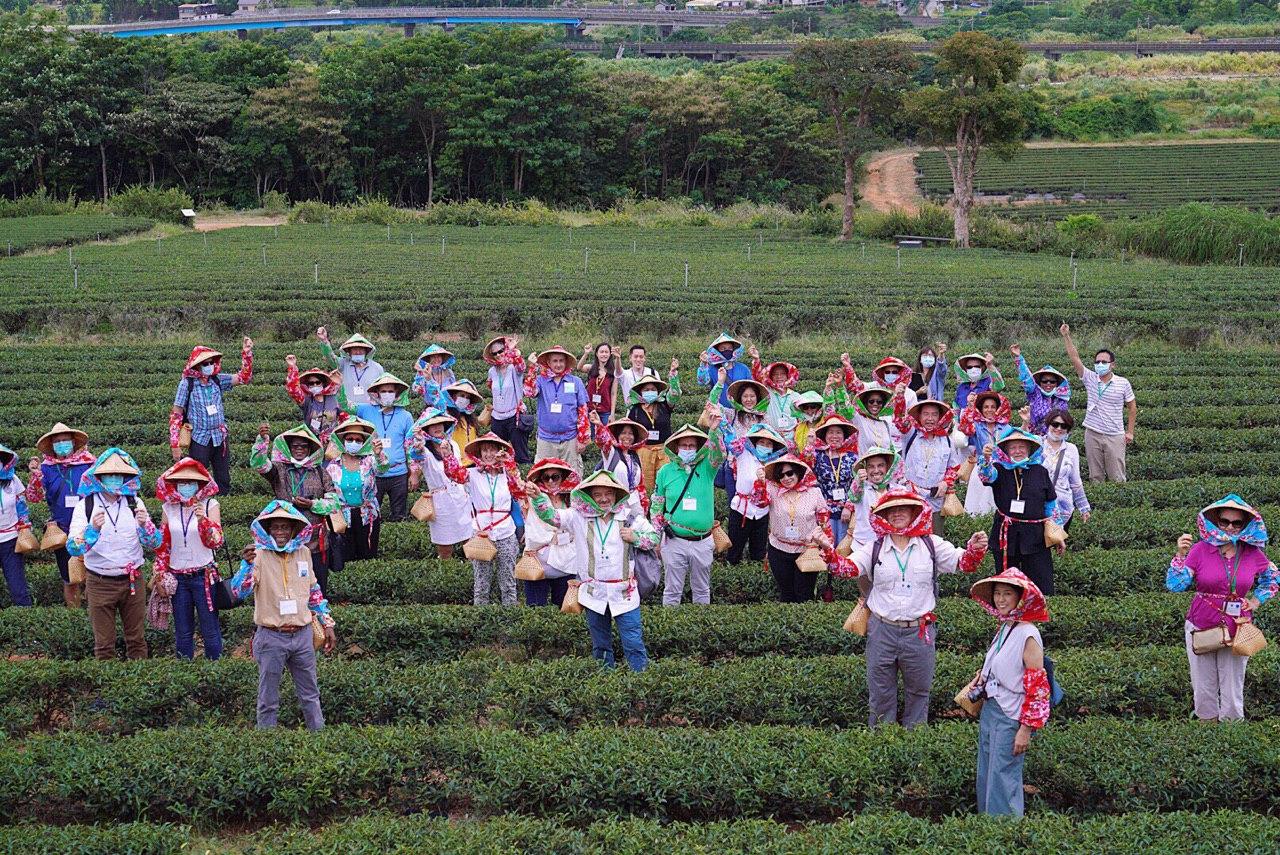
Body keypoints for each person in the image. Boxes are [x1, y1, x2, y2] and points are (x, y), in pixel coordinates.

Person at [837, 487, 988, 727]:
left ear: (914, 511)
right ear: (884, 516)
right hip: (881, 630)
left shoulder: (931, 544)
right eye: (891, 510)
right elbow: (847, 569)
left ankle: (914, 741)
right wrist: (826, 551)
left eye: (902, 509)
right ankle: (882, 740)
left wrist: (975, 548)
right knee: (880, 694)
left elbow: (965, 563)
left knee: (919, 692)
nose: (897, 514)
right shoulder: (874, 547)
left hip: (919, 632)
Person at [528, 469, 660, 671]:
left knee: (633, 643)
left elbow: (654, 539)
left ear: (616, 495)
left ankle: (640, 682)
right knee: (600, 646)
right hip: (594, 593)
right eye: (598, 494)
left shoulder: (630, 519)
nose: (604, 499)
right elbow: (552, 517)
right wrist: (538, 497)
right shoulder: (577, 517)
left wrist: (635, 537)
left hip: (625, 593)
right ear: (589, 496)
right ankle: (605, 685)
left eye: (608, 493)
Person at [1167, 495, 1278, 722]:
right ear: (1216, 521)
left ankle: (1232, 737)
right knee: (1203, 685)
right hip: (1201, 623)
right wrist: (1180, 555)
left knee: (1232, 685)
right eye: (1224, 521)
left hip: (1237, 626)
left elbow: (1272, 579)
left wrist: (1256, 601)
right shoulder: (1199, 550)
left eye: (1236, 523)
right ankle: (1208, 734)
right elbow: (1175, 585)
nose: (1229, 527)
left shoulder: (1253, 553)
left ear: (1245, 525)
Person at [229, 501, 336, 730]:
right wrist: (246, 567)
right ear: (268, 530)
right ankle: (267, 745)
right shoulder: (256, 556)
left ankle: (319, 739)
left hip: (302, 635)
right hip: (271, 636)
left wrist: (327, 622)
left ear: (293, 529)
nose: (280, 532)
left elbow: (314, 591)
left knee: (310, 694)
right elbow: (240, 591)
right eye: (275, 527)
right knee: (268, 698)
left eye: (285, 527)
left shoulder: (304, 552)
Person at [967, 568, 1051, 817]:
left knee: (1003, 777)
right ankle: (987, 828)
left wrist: (1025, 729)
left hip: (1011, 714)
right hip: (992, 708)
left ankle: (1007, 835)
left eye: (1007, 594)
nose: (1001, 599)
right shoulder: (1005, 627)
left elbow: (1038, 688)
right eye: (997, 594)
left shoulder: (1028, 634)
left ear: (1019, 598)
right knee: (987, 773)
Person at [67, 449, 162, 660]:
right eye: (109, 475)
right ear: (99, 478)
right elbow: (73, 548)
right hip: (100, 582)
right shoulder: (86, 506)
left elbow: (155, 542)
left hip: (132, 580)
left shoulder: (135, 503)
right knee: (104, 645)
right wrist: (93, 530)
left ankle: (138, 686)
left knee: (137, 640)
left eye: (118, 475)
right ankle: (108, 690)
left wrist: (145, 525)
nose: (114, 479)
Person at [249, 424, 342, 596]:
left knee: (318, 587)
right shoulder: (279, 469)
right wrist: (262, 441)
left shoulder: (320, 472)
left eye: (304, 446)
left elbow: (334, 503)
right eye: (295, 446)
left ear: (310, 449)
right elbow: (259, 464)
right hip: (287, 541)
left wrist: (312, 504)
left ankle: (318, 620)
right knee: (289, 586)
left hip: (316, 543)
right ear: (289, 448)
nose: (299, 449)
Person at [151, 458, 224, 660]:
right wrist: (160, 571)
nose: (186, 486)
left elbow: (216, 541)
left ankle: (215, 670)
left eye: (190, 482)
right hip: (178, 577)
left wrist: (203, 521)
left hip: (203, 576)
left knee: (210, 629)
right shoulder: (168, 507)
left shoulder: (210, 504)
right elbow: (164, 543)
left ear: (199, 484)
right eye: (182, 482)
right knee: (183, 631)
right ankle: (185, 668)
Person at [443, 435, 525, 606]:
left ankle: (510, 619)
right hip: (481, 532)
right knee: (481, 582)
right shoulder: (472, 474)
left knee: (508, 581)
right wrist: (448, 455)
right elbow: (453, 474)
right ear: (479, 454)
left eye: (492, 450)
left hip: (505, 531)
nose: (488, 454)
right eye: (485, 450)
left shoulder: (508, 474)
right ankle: (480, 619)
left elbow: (519, 491)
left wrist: (509, 464)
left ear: (499, 452)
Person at [978, 427, 1060, 595]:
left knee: (1041, 584)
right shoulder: (999, 470)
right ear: (1007, 450)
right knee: (1008, 584)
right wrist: (986, 459)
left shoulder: (1040, 471)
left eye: (1021, 447)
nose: (1017, 451)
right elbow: (986, 477)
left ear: (1029, 449)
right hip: (1006, 535)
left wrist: (1058, 535)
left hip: (1035, 536)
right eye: (1013, 448)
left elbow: (1051, 505)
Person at [168, 337, 254, 495]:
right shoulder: (187, 384)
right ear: (197, 365)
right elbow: (176, 414)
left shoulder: (217, 380)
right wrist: (175, 444)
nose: (209, 366)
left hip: (220, 436)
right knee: (199, 476)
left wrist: (247, 354)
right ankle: (201, 507)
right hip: (199, 437)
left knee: (223, 477)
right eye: (205, 364)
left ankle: (222, 506)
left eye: (211, 363)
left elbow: (243, 378)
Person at [751, 454, 841, 603]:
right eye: (781, 475)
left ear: (798, 472)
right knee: (786, 593)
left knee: (804, 594)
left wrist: (827, 547)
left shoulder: (814, 492)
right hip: (779, 548)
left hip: (807, 551)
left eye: (790, 473)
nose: (786, 478)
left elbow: (824, 520)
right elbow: (759, 502)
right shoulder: (772, 489)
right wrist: (760, 483)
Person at [652, 418, 724, 606]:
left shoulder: (707, 468)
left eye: (692, 445)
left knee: (701, 589)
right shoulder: (665, 472)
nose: (688, 448)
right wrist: (656, 537)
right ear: (676, 447)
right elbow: (657, 505)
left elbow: (718, 455)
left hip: (702, 541)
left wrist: (714, 432)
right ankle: (669, 629)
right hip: (674, 540)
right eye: (684, 445)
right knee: (672, 590)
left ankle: (701, 628)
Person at [26, 422, 96, 607]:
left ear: (73, 442)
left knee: (93, 574)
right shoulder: (46, 468)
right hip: (62, 528)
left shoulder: (89, 463)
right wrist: (35, 475)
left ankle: (92, 614)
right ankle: (74, 616)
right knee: (69, 576)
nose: (62, 443)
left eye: (65, 440)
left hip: (90, 526)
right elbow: (33, 497)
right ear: (52, 446)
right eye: (58, 441)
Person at [1060, 323, 1136, 483]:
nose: (1100, 365)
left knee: (1117, 477)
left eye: (1104, 362)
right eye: (1098, 362)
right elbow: (1075, 357)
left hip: (1115, 435)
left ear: (1112, 364)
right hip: (1092, 433)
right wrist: (1066, 336)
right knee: (1095, 476)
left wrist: (1130, 432)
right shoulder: (1090, 378)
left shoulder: (1123, 383)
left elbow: (1132, 407)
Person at [341, 373, 417, 522]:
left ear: (396, 394)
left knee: (399, 515)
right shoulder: (365, 410)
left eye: (390, 391)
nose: (387, 394)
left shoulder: (406, 416)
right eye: (383, 391)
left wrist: (413, 473)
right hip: (373, 472)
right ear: (377, 393)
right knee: (372, 513)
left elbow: (410, 446)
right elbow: (345, 406)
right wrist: (339, 387)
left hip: (399, 473)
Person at [893, 393, 965, 535]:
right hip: (912, 497)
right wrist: (900, 397)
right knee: (910, 537)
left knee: (934, 539)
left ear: (940, 417)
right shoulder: (910, 434)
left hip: (935, 499)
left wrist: (946, 482)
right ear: (919, 416)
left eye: (934, 414)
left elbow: (954, 467)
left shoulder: (946, 440)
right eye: (926, 414)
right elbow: (899, 420)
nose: (930, 419)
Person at [408, 409, 473, 560]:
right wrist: (417, 440)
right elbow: (416, 453)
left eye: (440, 424)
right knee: (445, 548)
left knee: (469, 540)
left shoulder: (454, 445)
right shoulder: (425, 449)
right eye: (432, 425)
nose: (437, 427)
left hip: (460, 496)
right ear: (427, 429)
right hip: (440, 501)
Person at [520, 458, 581, 608]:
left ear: (563, 477)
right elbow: (515, 484)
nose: (551, 481)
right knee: (535, 607)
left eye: (555, 476)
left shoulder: (572, 499)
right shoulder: (533, 497)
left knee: (564, 608)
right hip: (537, 561)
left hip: (566, 561)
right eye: (546, 477)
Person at [723, 423, 787, 565]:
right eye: (761, 442)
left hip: (762, 512)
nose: (764, 445)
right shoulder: (743, 454)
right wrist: (720, 420)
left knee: (758, 551)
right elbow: (730, 437)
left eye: (768, 443)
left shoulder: (775, 463)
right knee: (734, 548)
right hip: (741, 510)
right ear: (755, 443)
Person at [325, 416, 386, 563]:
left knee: (368, 553)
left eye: (358, 440)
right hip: (343, 517)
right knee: (346, 555)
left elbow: (383, 468)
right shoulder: (333, 466)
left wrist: (378, 454)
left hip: (367, 515)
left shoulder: (369, 460)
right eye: (350, 439)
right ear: (343, 441)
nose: (354, 442)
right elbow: (328, 491)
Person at [524, 345, 590, 474]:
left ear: (566, 363)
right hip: (546, 439)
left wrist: (582, 439)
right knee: (543, 477)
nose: (558, 364)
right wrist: (532, 368)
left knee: (572, 476)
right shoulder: (540, 381)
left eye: (561, 361)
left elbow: (582, 410)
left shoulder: (575, 381)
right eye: (555, 361)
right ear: (549, 362)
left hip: (570, 439)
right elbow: (529, 392)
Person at [1030, 411, 1090, 533]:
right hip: (1037, 503)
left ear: (1068, 430)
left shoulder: (1071, 449)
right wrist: (1025, 422)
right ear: (1048, 425)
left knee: (1059, 543)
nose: (1058, 428)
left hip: (1063, 506)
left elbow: (1075, 481)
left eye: (1064, 426)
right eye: (1055, 424)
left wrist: (1084, 507)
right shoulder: (1037, 443)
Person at [624, 365, 682, 493]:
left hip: (663, 451)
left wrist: (673, 375)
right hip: (643, 451)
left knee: (665, 483)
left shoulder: (664, 405)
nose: (650, 391)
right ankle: (647, 510)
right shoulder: (635, 409)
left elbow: (675, 394)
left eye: (652, 389)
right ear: (641, 391)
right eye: (646, 389)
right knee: (646, 484)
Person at [808, 414, 859, 549]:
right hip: (824, 509)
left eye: (838, 432)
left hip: (846, 511)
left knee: (844, 547)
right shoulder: (817, 456)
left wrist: (849, 506)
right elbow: (805, 474)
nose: (834, 436)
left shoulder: (852, 457)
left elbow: (858, 483)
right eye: (830, 432)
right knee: (827, 546)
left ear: (844, 436)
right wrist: (809, 444)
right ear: (825, 436)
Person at [840, 446, 901, 554]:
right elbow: (854, 496)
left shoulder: (898, 490)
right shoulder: (861, 489)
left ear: (887, 467)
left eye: (880, 465)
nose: (876, 470)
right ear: (865, 470)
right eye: (871, 466)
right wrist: (858, 481)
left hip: (890, 548)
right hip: (863, 547)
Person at [958, 390, 1010, 516]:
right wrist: (970, 407)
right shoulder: (976, 425)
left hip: (1000, 469)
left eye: (993, 407)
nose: (989, 410)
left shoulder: (1005, 427)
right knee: (976, 507)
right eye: (986, 407)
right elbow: (964, 427)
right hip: (982, 468)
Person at [483, 336, 532, 466]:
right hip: (497, 418)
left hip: (513, 417)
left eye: (501, 351)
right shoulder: (492, 371)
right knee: (497, 456)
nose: (499, 355)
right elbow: (491, 386)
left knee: (520, 455)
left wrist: (512, 350)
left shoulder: (513, 368)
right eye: (495, 353)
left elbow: (521, 366)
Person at [593, 416, 650, 517]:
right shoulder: (611, 453)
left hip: (634, 503)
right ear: (617, 435)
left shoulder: (635, 456)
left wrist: (643, 504)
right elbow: (603, 442)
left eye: (630, 433)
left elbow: (640, 485)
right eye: (623, 433)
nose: (627, 436)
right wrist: (599, 425)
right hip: (616, 502)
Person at [1009, 343, 1069, 436]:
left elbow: (1064, 422)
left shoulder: (1062, 399)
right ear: (1040, 383)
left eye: (1052, 381)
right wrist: (1019, 358)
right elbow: (1027, 379)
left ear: (1057, 383)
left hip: (1055, 438)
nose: (1048, 384)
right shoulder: (1035, 394)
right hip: (1034, 437)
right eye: (1044, 381)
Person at [283, 357, 343, 448]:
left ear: (322, 384)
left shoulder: (334, 399)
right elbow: (293, 390)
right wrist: (292, 367)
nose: (315, 385)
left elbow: (344, 415)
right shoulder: (306, 400)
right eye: (311, 383)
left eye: (317, 382)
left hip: (332, 443)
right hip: (311, 441)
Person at [0, 445, 33, 607]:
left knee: (17, 586)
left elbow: (22, 505)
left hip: (10, 540)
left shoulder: (12, 480)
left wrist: (25, 525)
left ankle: (26, 617)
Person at [317, 327, 383, 407]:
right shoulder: (342, 364)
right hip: (346, 410)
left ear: (366, 351)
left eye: (361, 349)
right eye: (354, 349)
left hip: (369, 411)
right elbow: (330, 357)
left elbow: (382, 389)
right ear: (349, 352)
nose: (358, 352)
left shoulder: (377, 367)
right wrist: (324, 341)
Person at [748, 346, 803, 442]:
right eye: (775, 374)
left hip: (793, 438)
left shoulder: (796, 396)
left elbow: (801, 418)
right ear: (771, 377)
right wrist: (756, 359)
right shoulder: (767, 393)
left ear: (787, 376)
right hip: (771, 436)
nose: (779, 377)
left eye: (782, 374)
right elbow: (757, 378)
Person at [696, 332, 752, 408]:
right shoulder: (712, 369)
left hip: (740, 411)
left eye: (730, 348)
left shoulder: (743, 368)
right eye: (723, 348)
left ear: (734, 350)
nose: (727, 350)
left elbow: (751, 387)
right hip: (720, 412)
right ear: (717, 351)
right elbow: (702, 382)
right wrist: (703, 364)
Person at [578, 342, 621, 435]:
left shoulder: (613, 373)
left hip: (605, 410)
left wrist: (612, 413)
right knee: (590, 436)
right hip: (589, 409)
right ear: (597, 354)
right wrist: (586, 353)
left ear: (610, 354)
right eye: (601, 352)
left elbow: (613, 393)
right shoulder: (591, 368)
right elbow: (579, 367)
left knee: (605, 435)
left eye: (606, 352)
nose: (604, 354)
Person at [443, 379, 489, 464]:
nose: (465, 399)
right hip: (456, 463)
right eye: (462, 395)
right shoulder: (447, 416)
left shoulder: (469, 418)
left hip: (473, 463)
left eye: (467, 397)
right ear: (453, 396)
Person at [412, 344, 458, 410]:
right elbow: (416, 386)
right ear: (429, 359)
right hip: (431, 408)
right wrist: (419, 388)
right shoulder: (424, 371)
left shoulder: (448, 372)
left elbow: (454, 388)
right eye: (433, 357)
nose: (436, 359)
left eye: (439, 356)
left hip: (449, 407)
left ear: (442, 358)